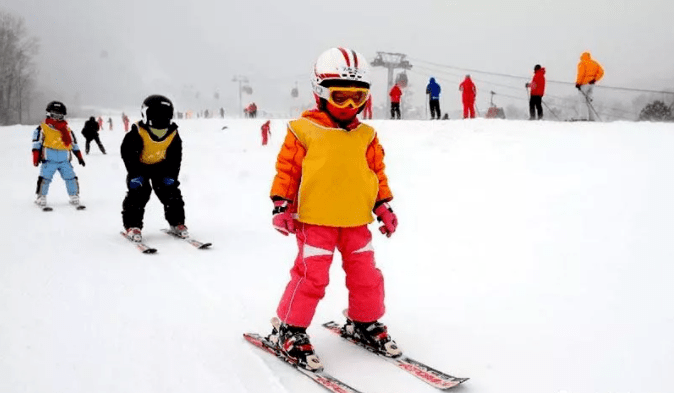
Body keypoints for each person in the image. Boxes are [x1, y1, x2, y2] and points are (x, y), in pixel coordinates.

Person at [265, 47, 401, 372]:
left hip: (356, 221)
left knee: (366, 276)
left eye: (358, 97)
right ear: (320, 93)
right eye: (341, 97)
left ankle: (364, 321)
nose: (350, 106)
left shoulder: (366, 135)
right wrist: (281, 204)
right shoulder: (303, 131)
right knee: (311, 278)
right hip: (315, 221)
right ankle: (289, 328)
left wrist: (383, 207)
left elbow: (376, 175)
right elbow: (288, 171)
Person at [120, 95, 188, 242]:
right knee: (138, 193)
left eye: (164, 115)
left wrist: (172, 175)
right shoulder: (138, 132)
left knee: (171, 192)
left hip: (161, 167)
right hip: (140, 168)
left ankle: (177, 222)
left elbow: (176, 156)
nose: (160, 119)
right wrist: (134, 173)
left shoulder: (172, 134)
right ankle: (133, 225)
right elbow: (128, 153)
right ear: (146, 114)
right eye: (156, 114)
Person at [32, 101, 86, 208]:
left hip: (64, 160)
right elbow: (37, 142)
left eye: (59, 115)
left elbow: (73, 144)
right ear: (49, 113)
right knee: (45, 178)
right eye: (54, 114)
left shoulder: (67, 130)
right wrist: (36, 155)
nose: (56, 117)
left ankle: (74, 195)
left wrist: (79, 156)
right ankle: (41, 196)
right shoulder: (43, 128)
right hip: (49, 159)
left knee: (71, 177)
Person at [575, 52, 604, 121]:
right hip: (591, 84)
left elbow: (581, 74)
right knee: (589, 102)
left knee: (582, 101)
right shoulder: (594, 63)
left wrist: (578, 83)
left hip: (584, 84)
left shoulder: (582, 63)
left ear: (582, 57)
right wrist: (595, 79)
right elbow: (601, 72)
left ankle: (583, 117)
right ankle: (592, 118)